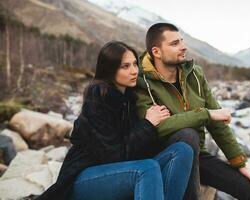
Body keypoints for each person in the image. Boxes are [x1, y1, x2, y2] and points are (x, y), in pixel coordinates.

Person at [37, 41, 194, 200]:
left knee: (182, 150)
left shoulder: (129, 98)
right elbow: (113, 155)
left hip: (120, 173)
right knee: (147, 167)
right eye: (125, 66)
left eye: (134, 64)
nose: (133, 71)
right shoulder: (97, 98)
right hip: (84, 179)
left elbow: (138, 148)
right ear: (110, 70)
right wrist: (148, 124)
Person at [134, 23, 250, 200]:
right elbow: (156, 127)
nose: (183, 47)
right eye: (174, 44)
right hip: (162, 157)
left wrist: (239, 162)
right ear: (156, 52)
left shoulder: (194, 74)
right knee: (188, 134)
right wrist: (205, 114)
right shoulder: (141, 82)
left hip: (197, 156)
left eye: (181, 41)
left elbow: (217, 122)